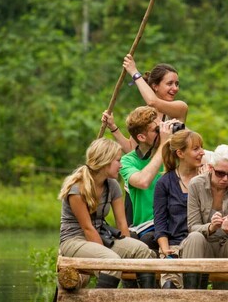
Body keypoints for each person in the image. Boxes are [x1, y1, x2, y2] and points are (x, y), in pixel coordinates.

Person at [57, 137, 157, 289]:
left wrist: (129, 249)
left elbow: (122, 224)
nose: (121, 164)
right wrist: (106, 258)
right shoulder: (77, 189)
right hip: (75, 240)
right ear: (105, 161)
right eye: (118, 160)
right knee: (111, 261)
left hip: (101, 235)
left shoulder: (112, 185)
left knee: (142, 250)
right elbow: (87, 228)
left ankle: (146, 300)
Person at [183, 144, 228, 290]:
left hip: (227, 244)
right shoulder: (196, 184)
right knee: (194, 237)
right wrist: (211, 227)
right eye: (220, 173)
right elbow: (192, 226)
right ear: (210, 168)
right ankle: (190, 296)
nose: (226, 178)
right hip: (204, 244)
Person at [117, 105, 179, 249]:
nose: (162, 132)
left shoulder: (174, 153)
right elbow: (143, 181)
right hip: (144, 226)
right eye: (156, 130)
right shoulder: (127, 161)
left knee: (148, 240)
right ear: (141, 137)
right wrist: (163, 144)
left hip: (171, 223)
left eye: (161, 126)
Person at [153, 129, 205, 288]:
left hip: (201, 244)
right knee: (170, 285)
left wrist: (206, 184)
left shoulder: (208, 179)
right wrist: (164, 249)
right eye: (196, 149)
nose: (202, 152)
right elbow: (160, 222)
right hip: (174, 245)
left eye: (201, 148)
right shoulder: (165, 182)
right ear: (180, 154)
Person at [122, 55, 188, 123]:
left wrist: (134, 72)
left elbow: (152, 102)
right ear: (155, 86)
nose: (175, 88)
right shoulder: (143, 114)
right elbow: (136, 134)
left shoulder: (181, 107)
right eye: (169, 83)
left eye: (176, 84)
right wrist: (114, 128)